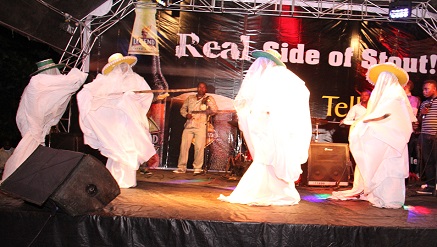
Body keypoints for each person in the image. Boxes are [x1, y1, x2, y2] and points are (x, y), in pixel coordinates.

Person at [218, 49, 312, 206]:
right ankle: (269, 190)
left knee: (270, 155)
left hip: (273, 125)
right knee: (266, 157)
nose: (258, 65)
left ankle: (274, 191)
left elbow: (278, 100)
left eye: (262, 61)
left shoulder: (277, 75)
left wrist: (269, 113)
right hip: (265, 125)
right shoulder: (269, 77)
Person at [331, 62, 416, 209]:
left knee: (389, 166)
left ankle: (389, 198)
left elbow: (387, 116)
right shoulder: (391, 95)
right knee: (383, 165)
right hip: (387, 138)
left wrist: (366, 121)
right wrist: (364, 121)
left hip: (391, 139)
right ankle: (381, 194)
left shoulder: (394, 95)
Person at [77, 53, 156, 188]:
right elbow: (85, 93)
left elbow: (147, 95)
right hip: (114, 123)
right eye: (118, 66)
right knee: (116, 148)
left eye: (123, 65)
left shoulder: (136, 80)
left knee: (129, 147)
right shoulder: (103, 81)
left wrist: (131, 98)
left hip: (130, 121)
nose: (122, 68)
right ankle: (114, 180)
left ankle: (126, 180)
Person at [1, 59, 87, 182]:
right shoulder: (38, 82)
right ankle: (17, 180)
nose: (56, 75)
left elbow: (56, 98)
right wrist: (77, 74)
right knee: (28, 151)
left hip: (33, 125)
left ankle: (28, 180)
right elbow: (68, 83)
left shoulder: (41, 84)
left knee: (32, 152)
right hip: (31, 124)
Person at [173, 82, 218, 175]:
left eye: (203, 87)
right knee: (184, 147)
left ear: (206, 89)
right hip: (189, 124)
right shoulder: (190, 98)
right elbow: (182, 109)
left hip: (201, 124)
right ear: (197, 88)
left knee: (199, 147)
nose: (201, 89)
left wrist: (207, 108)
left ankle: (197, 168)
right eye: (199, 87)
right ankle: (181, 167)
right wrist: (186, 114)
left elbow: (214, 110)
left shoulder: (208, 99)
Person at [415, 80, 437, 195]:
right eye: (423, 89)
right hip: (425, 135)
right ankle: (430, 185)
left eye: (427, 89)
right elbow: (419, 121)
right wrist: (422, 113)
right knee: (428, 161)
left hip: (435, 135)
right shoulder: (424, 104)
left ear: (434, 89)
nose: (424, 91)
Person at [404, 80, 421, 178]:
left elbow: (412, 114)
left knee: (408, 152)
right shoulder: (398, 98)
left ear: (407, 86)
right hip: (398, 129)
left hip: (408, 129)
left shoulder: (413, 99)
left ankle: (409, 174)